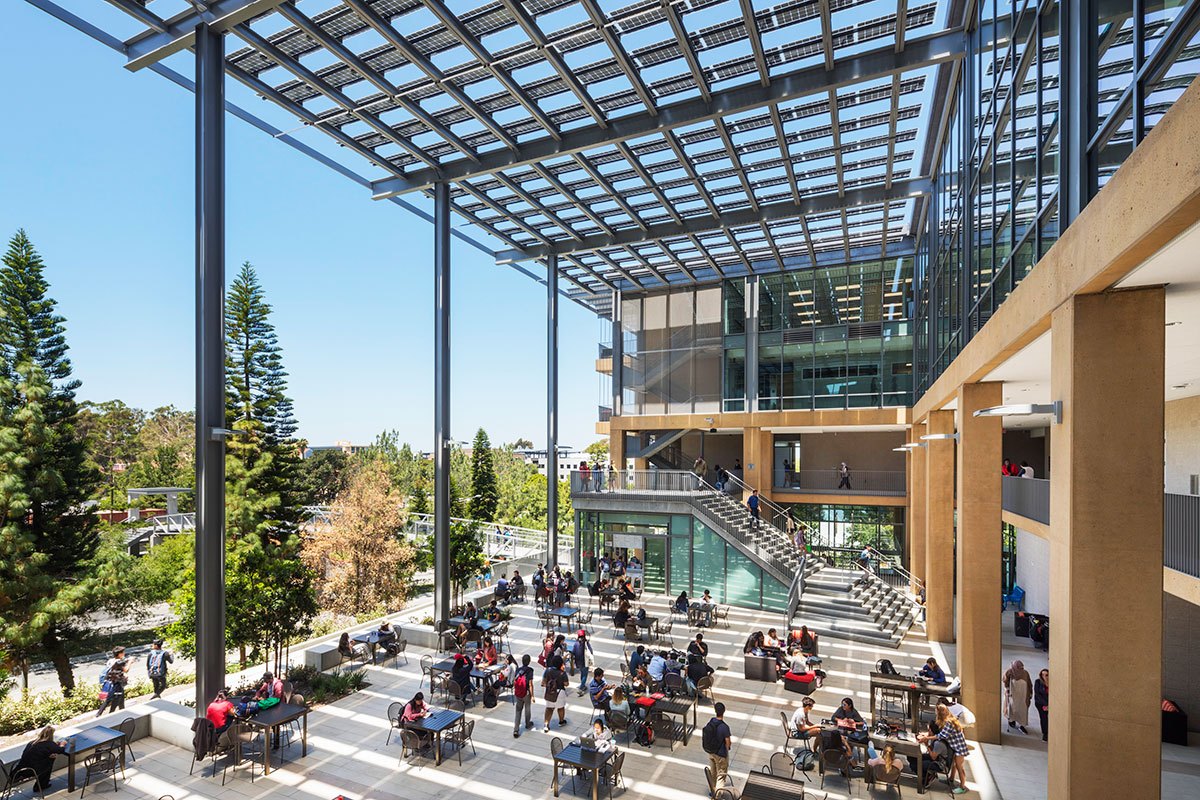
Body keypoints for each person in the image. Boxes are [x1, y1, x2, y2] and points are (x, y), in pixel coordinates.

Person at [920, 705, 970, 793]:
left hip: (959, 748)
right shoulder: (951, 719)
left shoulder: (948, 723)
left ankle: (962, 787)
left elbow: (941, 735)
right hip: (956, 746)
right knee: (954, 765)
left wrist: (927, 739)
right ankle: (950, 780)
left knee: (959, 767)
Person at [16, 726, 67, 792]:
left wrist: (49, 754)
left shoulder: (32, 742)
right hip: (30, 770)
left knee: (49, 758)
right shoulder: (48, 744)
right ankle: (42, 784)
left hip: (21, 768)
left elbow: (40, 753)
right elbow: (60, 750)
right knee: (50, 761)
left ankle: (42, 783)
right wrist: (62, 744)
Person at [702, 702, 733, 784]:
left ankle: (712, 791)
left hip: (711, 752)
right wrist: (727, 749)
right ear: (724, 711)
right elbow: (728, 742)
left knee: (713, 772)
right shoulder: (724, 727)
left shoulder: (711, 722)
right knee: (721, 776)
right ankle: (718, 795)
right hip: (720, 754)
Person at [96, 646, 130, 717]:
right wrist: (130, 662)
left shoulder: (111, 661)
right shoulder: (118, 662)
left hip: (110, 682)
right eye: (123, 652)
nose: (124, 653)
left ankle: (122, 713)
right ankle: (108, 715)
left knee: (120, 698)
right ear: (119, 654)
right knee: (115, 699)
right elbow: (126, 670)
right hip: (116, 684)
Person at [542, 654, 569, 732]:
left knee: (549, 708)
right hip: (560, 693)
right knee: (560, 707)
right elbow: (566, 684)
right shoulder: (562, 673)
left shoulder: (547, 670)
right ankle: (561, 721)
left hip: (549, 692)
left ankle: (546, 725)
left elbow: (543, 682)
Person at [1004, 659, 1033, 734]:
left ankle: (1022, 725)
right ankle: (1012, 721)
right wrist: (1007, 689)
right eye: (1019, 668)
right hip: (1013, 695)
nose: (1021, 669)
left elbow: (1029, 683)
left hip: (1023, 695)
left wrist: (1030, 693)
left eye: (1022, 667)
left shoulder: (1025, 673)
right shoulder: (1010, 672)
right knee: (1013, 708)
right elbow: (1005, 680)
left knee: (1023, 710)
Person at [513, 654, 536, 738]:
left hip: (518, 693)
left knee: (518, 711)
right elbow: (530, 684)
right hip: (526, 693)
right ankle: (527, 723)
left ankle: (516, 729)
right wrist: (532, 695)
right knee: (527, 708)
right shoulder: (530, 670)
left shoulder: (518, 670)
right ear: (529, 661)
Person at [571, 630, 594, 694]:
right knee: (585, 674)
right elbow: (591, 651)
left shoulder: (576, 643)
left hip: (578, 662)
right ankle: (581, 687)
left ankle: (583, 685)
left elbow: (573, 652)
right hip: (585, 662)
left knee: (582, 673)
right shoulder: (586, 643)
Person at [1034, 668, 1050, 741]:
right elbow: (1037, 695)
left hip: (1050, 704)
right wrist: (1046, 704)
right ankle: (1045, 733)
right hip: (1040, 704)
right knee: (1044, 718)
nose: (1044, 676)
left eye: (1046, 675)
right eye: (1042, 675)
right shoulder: (1038, 682)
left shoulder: (1052, 683)